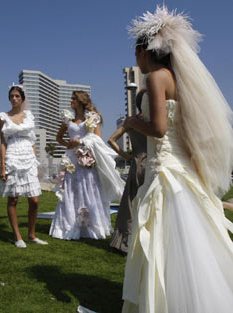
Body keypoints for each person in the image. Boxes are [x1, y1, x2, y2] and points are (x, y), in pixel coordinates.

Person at [122, 6, 233, 312]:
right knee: (191, 247)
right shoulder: (179, 79)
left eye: (136, 53)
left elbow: (158, 129)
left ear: (143, 51)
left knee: (163, 241)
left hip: (166, 170)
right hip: (182, 169)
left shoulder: (157, 78)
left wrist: (131, 122)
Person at [49, 91, 125, 240]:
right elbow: (58, 137)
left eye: (74, 98)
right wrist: (69, 145)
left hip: (87, 159)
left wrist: (81, 142)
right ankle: (70, 226)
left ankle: (91, 227)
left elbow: (98, 139)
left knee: (90, 188)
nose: (71, 101)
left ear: (81, 101)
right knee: (71, 190)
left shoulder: (92, 118)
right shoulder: (67, 119)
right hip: (71, 159)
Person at [0, 85, 48, 248]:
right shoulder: (3, 117)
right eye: (12, 96)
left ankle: (31, 234)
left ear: (22, 98)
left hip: (28, 156)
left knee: (34, 200)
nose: (14, 99)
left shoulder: (29, 116)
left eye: (17, 96)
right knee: (14, 198)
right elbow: (3, 143)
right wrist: (3, 166)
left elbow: (33, 141)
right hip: (12, 155)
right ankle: (18, 237)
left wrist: (36, 162)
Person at [108, 89, 147, 254]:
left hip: (137, 163)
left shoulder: (132, 121)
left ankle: (125, 241)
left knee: (130, 204)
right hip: (153, 162)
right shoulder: (154, 121)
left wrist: (127, 156)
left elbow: (111, 140)